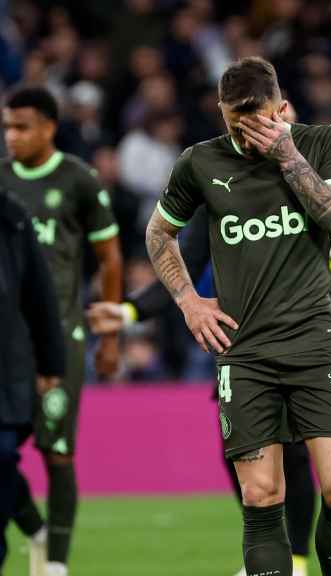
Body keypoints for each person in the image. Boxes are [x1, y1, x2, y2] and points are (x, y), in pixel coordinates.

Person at [146, 56, 331, 576]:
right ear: (220, 113)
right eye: (233, 123)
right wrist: (188, 302)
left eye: (258, 120)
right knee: (262, 495)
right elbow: (159, 233)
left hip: (314, 342)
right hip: (244, 354)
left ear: (280, 106)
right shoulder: (200, 163)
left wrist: (286, 153)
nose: (246, 136)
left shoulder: (320, 141)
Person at [86, 204, 318, 576]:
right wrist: (129, 312)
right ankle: (273, 548)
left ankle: (299, 560)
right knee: (235, 454)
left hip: (293, 339)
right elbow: (181, 277)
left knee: (293, 452)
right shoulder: (215, 205)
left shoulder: (292, 197)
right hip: (236, 349)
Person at [1, 86, 123, 576]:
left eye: (22, 126)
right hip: (6, 343)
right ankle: (33, 525)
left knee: (57, 453)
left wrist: (110, 335)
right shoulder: (1, 181)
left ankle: (54, 564)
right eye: (7, 127)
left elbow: (110, 256)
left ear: (49, 127)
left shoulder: (78, 179)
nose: (12, 137)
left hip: (61, 339)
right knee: (1, 454)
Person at [0, 189, 65, 572]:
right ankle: (31, 523)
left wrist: (51, 365)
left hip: (8, 372)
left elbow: (39, 297)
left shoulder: (13, 218)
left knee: (2, 455)